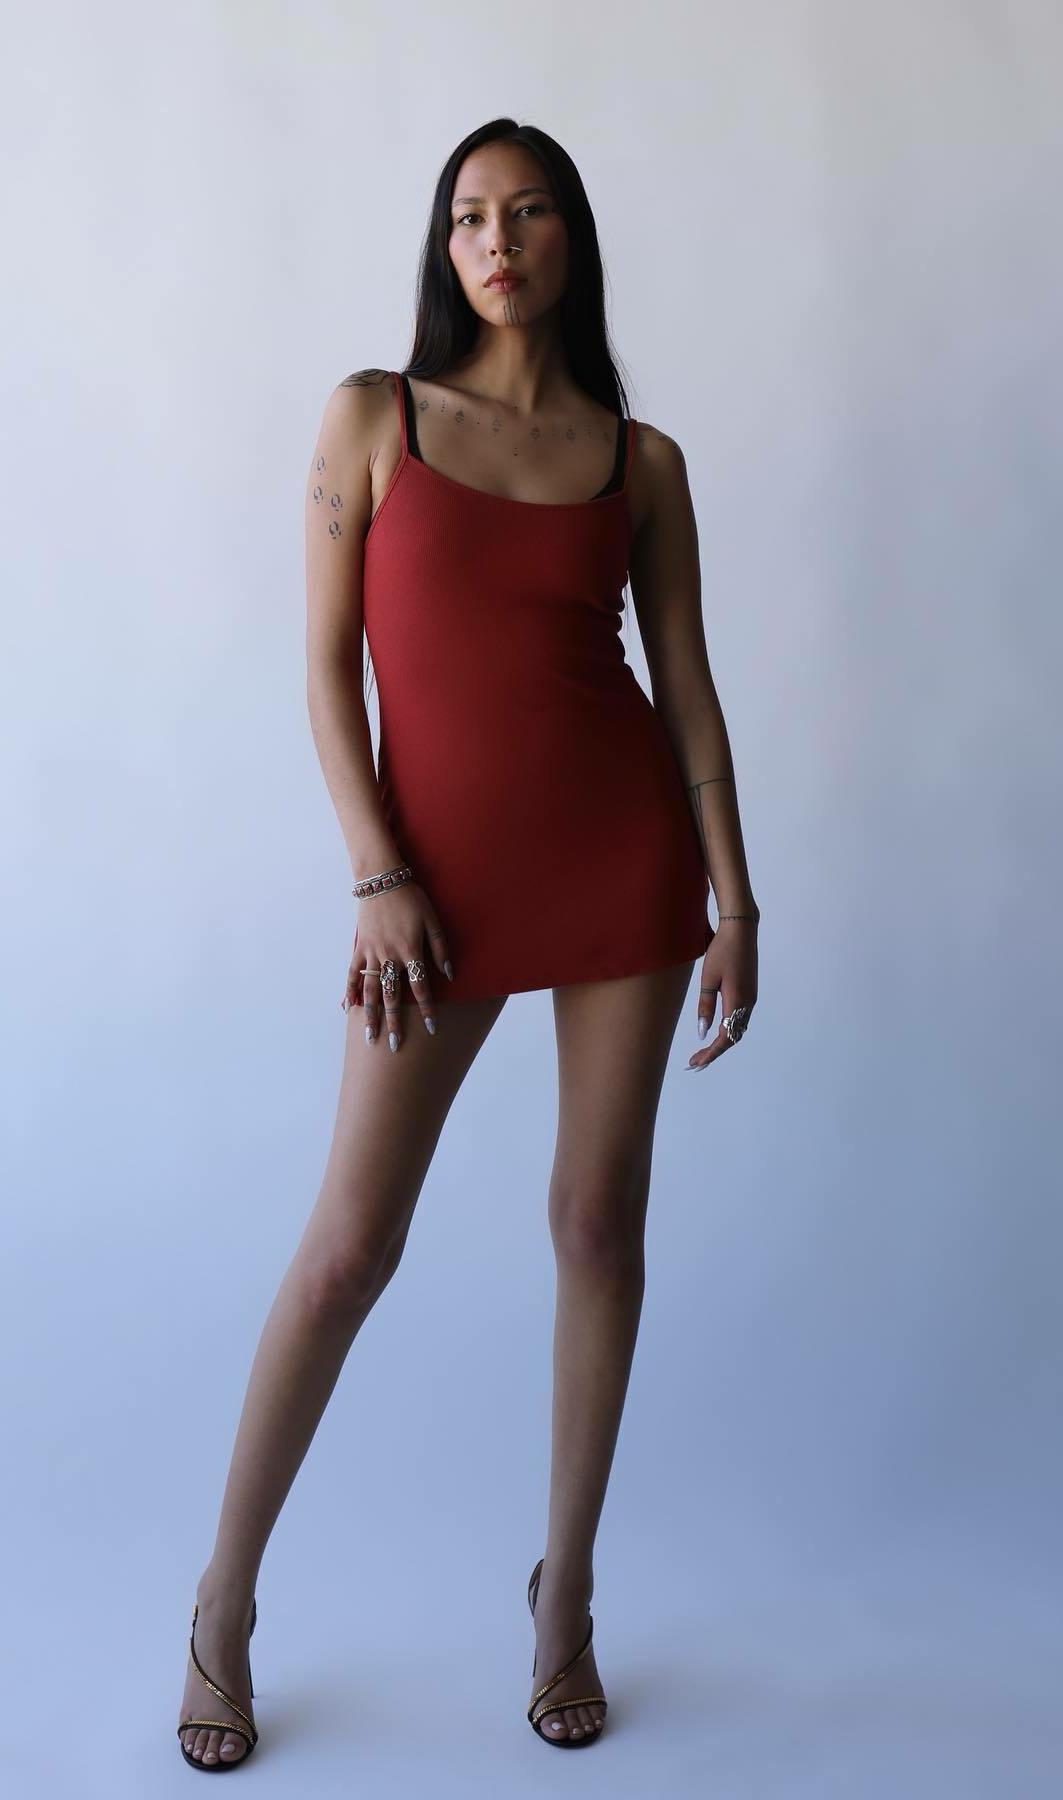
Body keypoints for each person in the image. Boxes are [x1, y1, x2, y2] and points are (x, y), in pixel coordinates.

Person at [177, 116, 759, 1772]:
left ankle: (565, 1600)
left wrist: (736, 897)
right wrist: (378, 873)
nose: (497, 240)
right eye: (469, 216)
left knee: (597, 1225)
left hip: (624, 864)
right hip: (427, 894)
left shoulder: (640, 461)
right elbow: (324, 669)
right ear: (445, 249)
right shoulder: (375, 418)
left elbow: (688, 688)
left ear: (573, 239)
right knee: (349, 1250)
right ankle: (223, 1606)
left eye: (530, 212)